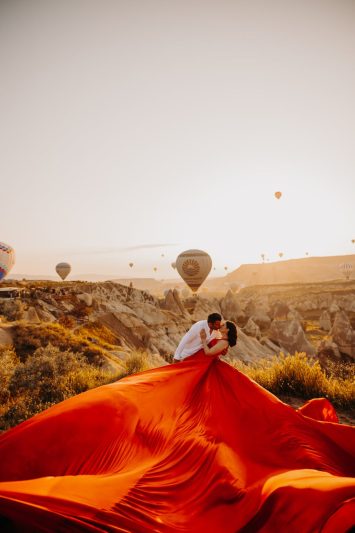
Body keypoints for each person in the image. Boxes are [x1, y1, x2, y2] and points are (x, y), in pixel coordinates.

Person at [0, 320, 354, 531]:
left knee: (206, 423)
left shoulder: (220, 342)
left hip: (206, 376)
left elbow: (211, 355)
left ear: (227, 333)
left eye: (222, 328)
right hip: (205, 376)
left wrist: (202, 346)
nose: (219, 328)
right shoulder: (221, 337)